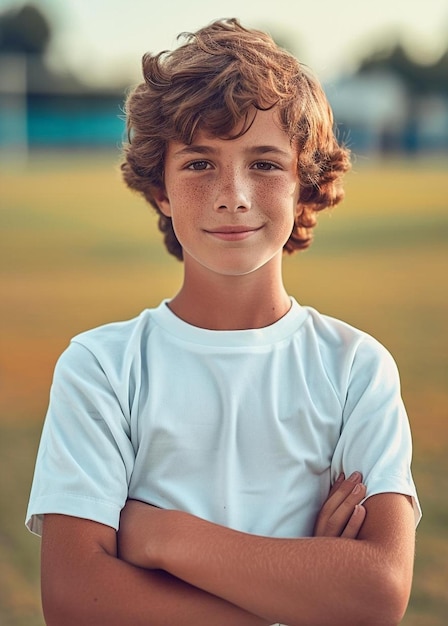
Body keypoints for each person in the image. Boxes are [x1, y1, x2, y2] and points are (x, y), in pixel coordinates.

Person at [26, 18, 421, 626]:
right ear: (159, 186)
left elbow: (377, 593)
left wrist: (162, 536)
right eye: (199, 164)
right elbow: (76, 599)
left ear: (303, 182)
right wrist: (302, 589)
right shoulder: (103, 367)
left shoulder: (354, 368)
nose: (232, 194)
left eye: (263, 164)